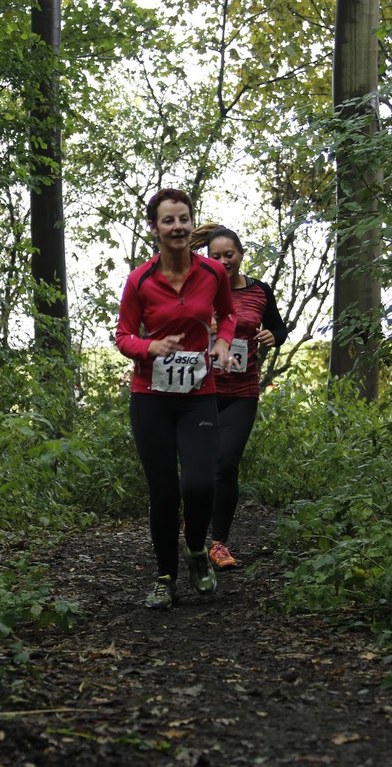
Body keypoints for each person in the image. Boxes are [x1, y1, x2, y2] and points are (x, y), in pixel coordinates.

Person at [116, 189, 238, 610]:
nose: (177, 227)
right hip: (150, 397)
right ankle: (165, 577)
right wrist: (148, 347)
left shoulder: (213, 273)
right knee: (164, 492)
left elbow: (228, 315)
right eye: (168, 221)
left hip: (198, 395)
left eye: (183, 219)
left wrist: (222, 343)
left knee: (200, 483)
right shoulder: (140, 280)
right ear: (154, 228)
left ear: (191, 223)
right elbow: (123, 336)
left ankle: (197, 550)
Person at [191, 223, 288, 570]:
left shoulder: (260, 291)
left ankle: (219, 543)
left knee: (226, 463)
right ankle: (194, 519)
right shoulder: (198, 288)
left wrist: (273, 336)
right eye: (215, 256)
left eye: (228, 255)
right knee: (200, 466)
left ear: (241, 254)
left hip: (241, 393)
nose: (223, 261)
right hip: (200, 391)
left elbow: (279, 327)